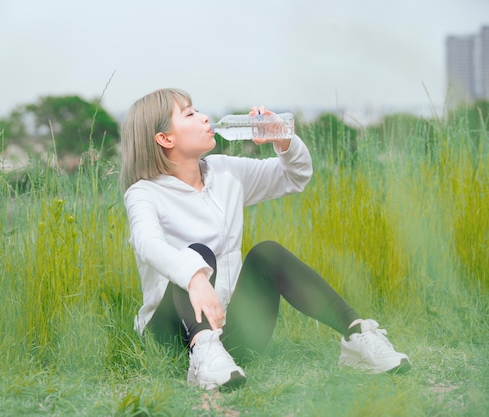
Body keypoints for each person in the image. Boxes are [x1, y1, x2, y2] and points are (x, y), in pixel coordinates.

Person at [120, 88, 411, 390]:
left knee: (267, 253)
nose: (204, 117)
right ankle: (202, 350)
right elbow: (147, 243)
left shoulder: (226, 172)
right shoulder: (144, 193)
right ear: (165, 139)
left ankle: (356, 336)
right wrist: (194, 278)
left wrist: (282, 139)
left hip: (229, 337)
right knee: (197, 255)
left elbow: (294, 177)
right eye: (190, 114)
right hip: (169, 336)